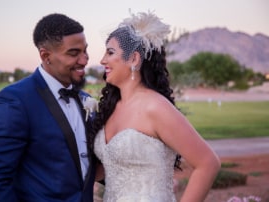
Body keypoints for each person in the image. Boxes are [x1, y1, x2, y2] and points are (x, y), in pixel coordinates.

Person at [90, 11, 221, 202]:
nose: (103, 60)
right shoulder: (112, 108)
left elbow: (208, 163)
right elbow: (114, 166)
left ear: (134, 59)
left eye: (110, 52)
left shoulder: (156, 107)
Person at [0, 13, 96, 202]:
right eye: (74, 53)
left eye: (85, 50)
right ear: (45, 55)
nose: (84, 60)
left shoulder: (86, 99)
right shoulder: (13, 102)